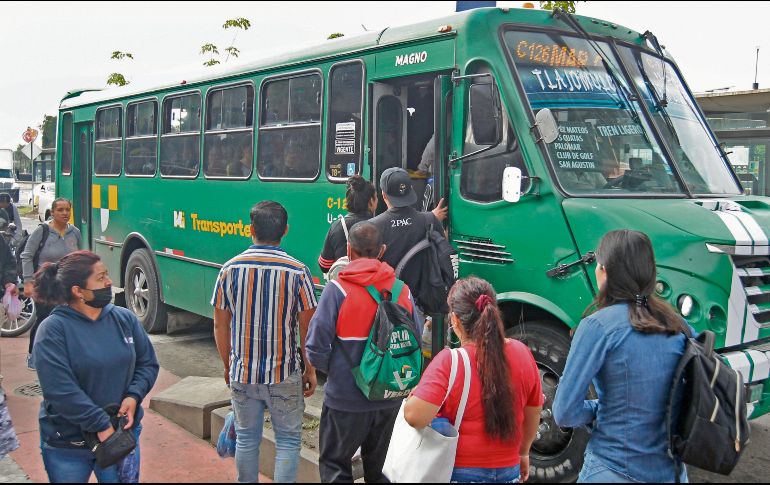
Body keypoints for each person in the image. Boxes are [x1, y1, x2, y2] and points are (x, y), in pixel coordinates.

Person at [552, 230, 691, 483]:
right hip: (673, 472)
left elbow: (565, 412)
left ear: (605, 272)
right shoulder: (679, 325)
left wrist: (598, 409)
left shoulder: (598, 326)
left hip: (614, 468)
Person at [307, 222, 423, 483]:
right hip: (390, 398)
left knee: (335, 466)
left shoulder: (337, 290)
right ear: (382, 250)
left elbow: (315, 348)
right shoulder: (402, 290)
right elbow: (416, 339)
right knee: (381, 470)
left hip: (345, 400)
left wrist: (338, 373)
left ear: (349, 249)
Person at [212, 200, 318, 483]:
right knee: (288, 441)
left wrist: (228, 365)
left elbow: (220, 325)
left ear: (251, 230)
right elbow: (307, 328)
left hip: (242, 372)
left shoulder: (229, 269)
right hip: (283, 373)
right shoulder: (298, 271)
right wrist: (309, 369)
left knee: (246, 438)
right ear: (285, 230)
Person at [32, 250, 159, 483]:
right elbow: (60, 390)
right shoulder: (52, 330)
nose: (109, 282)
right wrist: (100, 424)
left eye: (107, 275)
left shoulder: (124, 319)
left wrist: (134, 395)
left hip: (119, 438)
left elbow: (147, 363)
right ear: (78, 291)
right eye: (100, 278)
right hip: (68, 444)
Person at [404, 277, 543, 483]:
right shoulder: (522, 352)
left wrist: (414, 394)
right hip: (509, 470)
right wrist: (523, 453)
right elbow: (534, 409)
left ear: (455, 320)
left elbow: (415, 417)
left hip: (459, 471)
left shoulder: (450, 361)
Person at [22, 197, 82, 371]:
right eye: (60, 210)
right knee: (44, 319)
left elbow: (80, 257)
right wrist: (28, 282)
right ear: (53, 212)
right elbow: (27, 256)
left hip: (67, 284)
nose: (65, 213)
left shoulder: (75, 232)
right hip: (45, 284)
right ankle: (33, 355)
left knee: (69, 319)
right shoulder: (42, 231)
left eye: (67, 210)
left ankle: (62, 356)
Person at [370, 167, 447, 272]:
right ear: (411, 189)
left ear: (384, 195)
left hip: (389, 283)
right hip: (424, 283)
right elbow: (443, 250)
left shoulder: (372, 227)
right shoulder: (430, 219)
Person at [317, 176, 377, 274]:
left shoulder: (338, 226)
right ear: (371, 201)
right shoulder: (379, 225)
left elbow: (324, 266)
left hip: (345, 281)